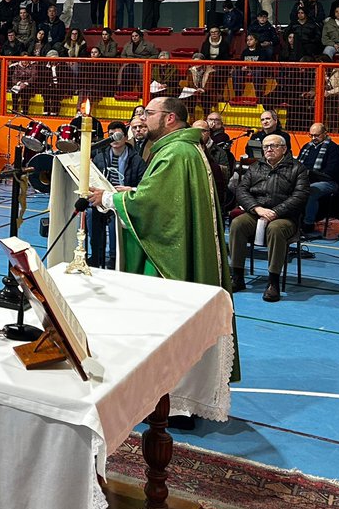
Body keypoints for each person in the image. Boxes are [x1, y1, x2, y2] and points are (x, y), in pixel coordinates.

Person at [88, 98, 236, 376]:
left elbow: (152, 205)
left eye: (149, 113)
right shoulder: (182, 148)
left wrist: (108, 197)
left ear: (169, 118)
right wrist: (130, 191)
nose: (142, 119)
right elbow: (167, 198)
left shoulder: (175, 153)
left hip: (171, 254)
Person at [228, 135, 309, 302]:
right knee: (237, 224)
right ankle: (237, 277)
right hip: (257, 213)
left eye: (273, 146)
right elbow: (241, 190)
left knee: (276, 229)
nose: (268, 150)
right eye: (265, 147)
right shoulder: (256, 167)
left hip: (285, 217)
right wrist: (256, 208)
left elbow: (300, 196)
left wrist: (276, 212)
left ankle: (273, 282)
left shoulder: (298, 168)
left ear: (284, 149)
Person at [88, 122, 146, 269]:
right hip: (101, 199)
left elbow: (143, 185)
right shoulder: (100, 157)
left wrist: (129, 189)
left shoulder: (137, 160)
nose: (114, 138)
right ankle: (96, 255)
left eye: (118, 135)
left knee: (116, 220)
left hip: (121, 201)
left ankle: (114, 258)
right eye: (111, 135)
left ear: (126, 137)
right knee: (90, 213)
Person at [296, 124, 339, 233]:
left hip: (328, 182)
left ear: (325, 133)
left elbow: (332, 171)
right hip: (306, 179)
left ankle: (308, 224)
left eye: (317, 135)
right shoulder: (306, 147)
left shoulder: (333, 148)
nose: (313, 138)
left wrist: (313, 175)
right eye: (311, 135)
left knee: (311, 191)